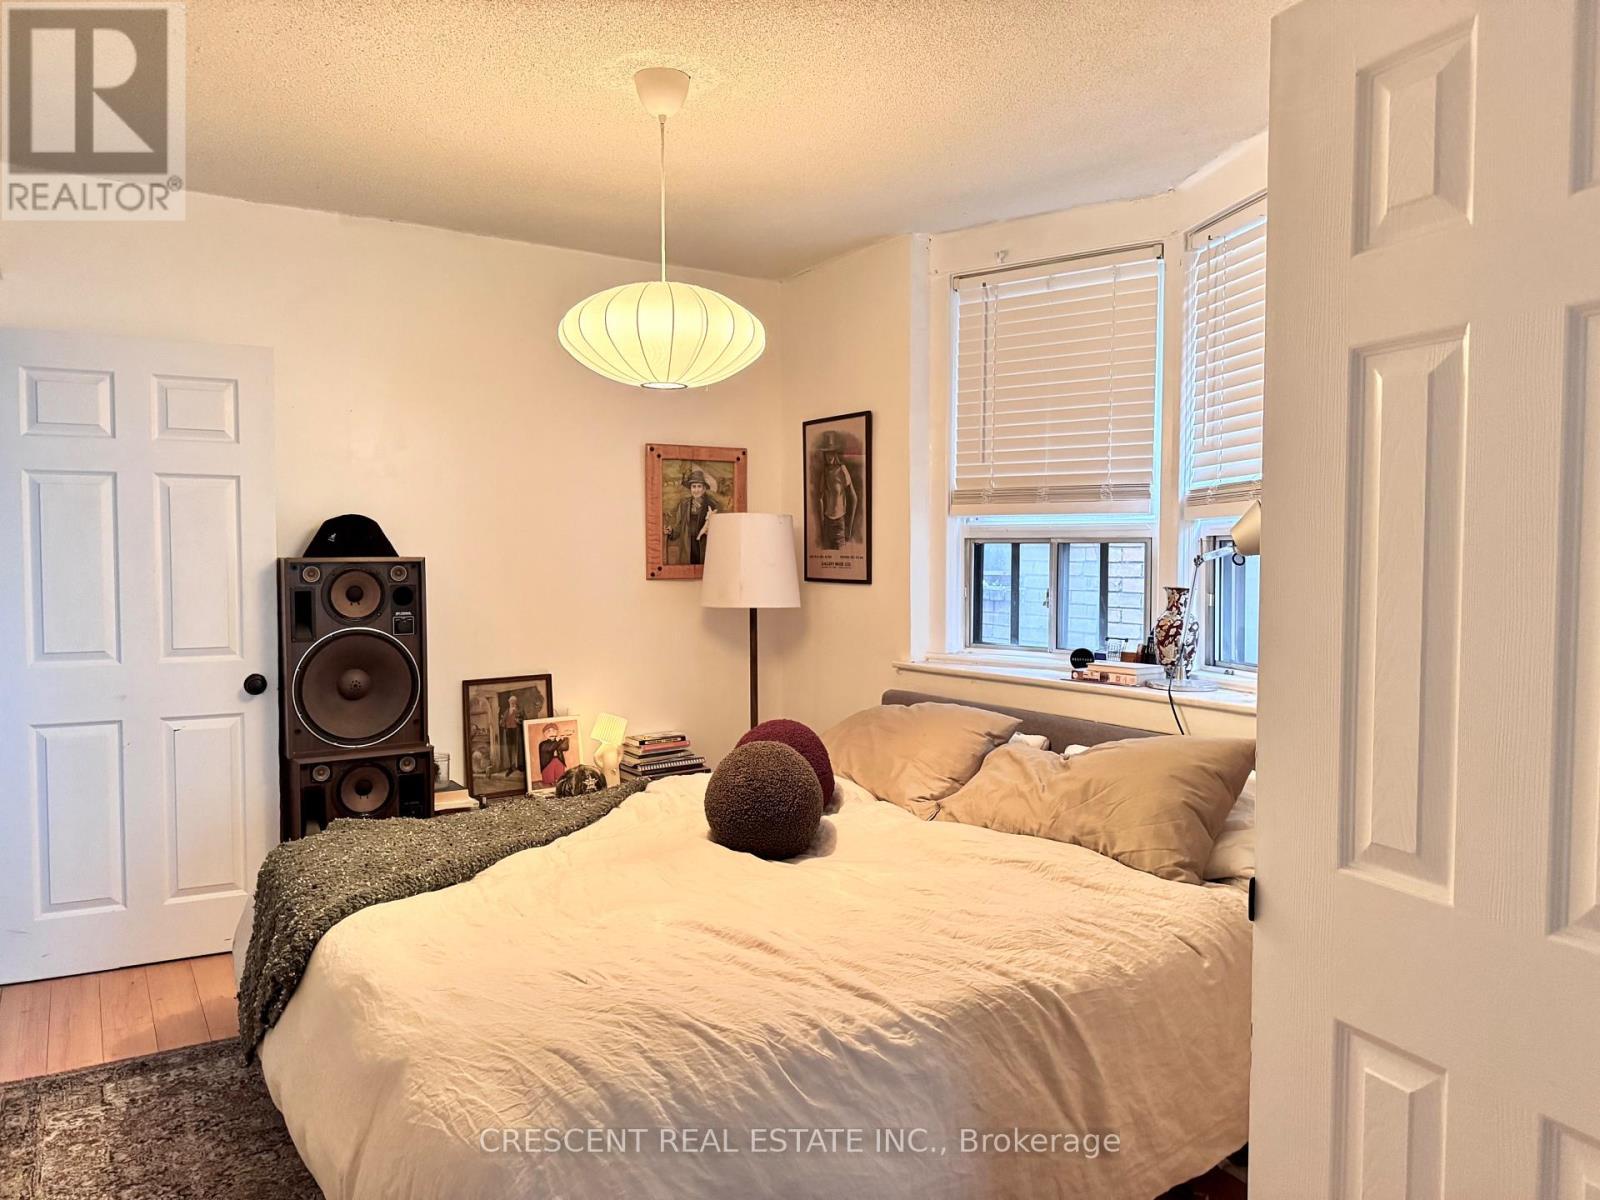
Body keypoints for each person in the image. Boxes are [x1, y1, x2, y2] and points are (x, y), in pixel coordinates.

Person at [666, 467, 721, 566]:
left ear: (704, 489)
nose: (696, 490)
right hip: (687, 546)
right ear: (690, 489)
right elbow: (679, 526)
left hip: (704, 545)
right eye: (693, 486)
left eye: (699, 486)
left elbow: (718, 529)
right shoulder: (684, 504)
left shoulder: (712, 504)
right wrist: (671, 532)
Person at [816, 431, 858, 550]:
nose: (829, 456)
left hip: (840, 523)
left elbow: (854, 498)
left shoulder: (842, 470)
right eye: (826, 453)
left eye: (831, 453)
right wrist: (822, 525)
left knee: (840, 554)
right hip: (827, 523)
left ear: (835, 453)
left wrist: (849, 527)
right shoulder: (824, 473)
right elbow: (820, 498)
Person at [538, 723, 570, 789]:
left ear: (557, 732)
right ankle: (550, 783)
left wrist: (565, 738)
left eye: (553, 731)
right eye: (548, 731)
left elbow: (565, 748)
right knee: (549, 778)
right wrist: (558, 741)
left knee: (560, 777)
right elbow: (550, 748)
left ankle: (559, 782)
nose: (551, 733)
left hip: (559, 759)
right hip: (547, 762)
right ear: (545, 734)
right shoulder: (543, 744)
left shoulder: (559, 741)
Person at [500, 694, 524, 779]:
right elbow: (502, 722)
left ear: (516, 702)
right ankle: (510, 766)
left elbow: (524, 720)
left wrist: (519, 721)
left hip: (516, 731)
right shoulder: (506, 711)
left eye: (514, 701)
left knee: (518, 748)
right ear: (509, 702)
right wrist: (502, 722)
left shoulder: (520, 711)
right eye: (511, 702)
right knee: (509, 748)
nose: (512, 703)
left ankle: (519, 765)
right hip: (508, 731)